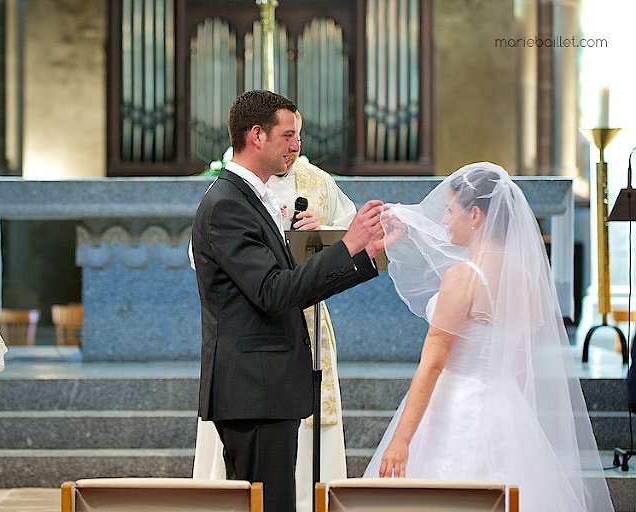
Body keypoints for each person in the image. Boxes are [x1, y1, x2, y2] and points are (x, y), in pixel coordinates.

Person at [362, 162, 614, 512]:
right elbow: (521, 365)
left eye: (450, 211)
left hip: (455, 410)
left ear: (475, 215)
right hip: (506, 408)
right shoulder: (525, 280)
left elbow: (433, 364)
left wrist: (402, 440)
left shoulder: (463, 277)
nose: (445, 220)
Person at [191, 89, 387, 512]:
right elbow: (273, 291)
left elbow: (293, 288)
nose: (297, 145)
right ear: (257, 136)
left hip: (266, 391)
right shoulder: (228, 205)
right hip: (254, 391)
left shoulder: (249, 199)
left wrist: (361, 256)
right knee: (270, 504)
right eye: (288, 135)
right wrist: (346, 246)